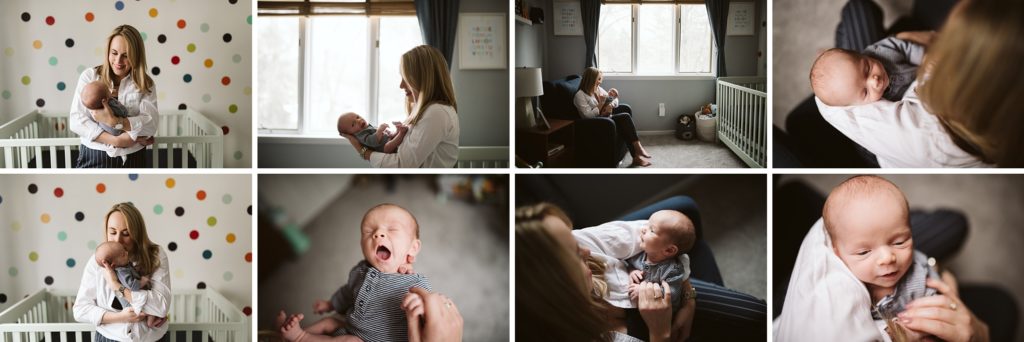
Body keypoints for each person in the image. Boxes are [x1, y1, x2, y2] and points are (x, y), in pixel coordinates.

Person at [787, 0, 1024, 167]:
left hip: (878, 152)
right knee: (857, 11)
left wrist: (910, 44)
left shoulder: (899, 121)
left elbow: (829, 102)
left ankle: (836, 53)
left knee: (857, 10)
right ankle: (837, 54)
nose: (875, 80)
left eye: (867, 69)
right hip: (878, 70)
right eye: (864, 89)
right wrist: (860, 61)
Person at [775, 176, 990, 342]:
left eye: (900, 242)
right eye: (864, 252)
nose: (888, 258)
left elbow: (940, 303)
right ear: (837, 255)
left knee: (952, 225)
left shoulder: (919, 274)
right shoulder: (836, 288)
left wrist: (945, 285)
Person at [517, 202, 766, 341]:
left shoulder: (585, 242)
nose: (585, 251)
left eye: (575, 239)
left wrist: (688, 297)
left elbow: (650, 234)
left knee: (686, 210)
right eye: (572, 251)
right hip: (658, 325)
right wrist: (660, 332)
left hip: (667, 289)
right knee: (758, 319)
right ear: (551, 283)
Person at [279, 204, 430, 342]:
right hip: (352, 328)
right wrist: (331, 304)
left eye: (392, 229)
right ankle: (288, 337)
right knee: (329, 322)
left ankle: (300, 337)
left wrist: (421, 307)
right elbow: (348, 292)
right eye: (368, 231)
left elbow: (432, 312)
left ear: (413, 247)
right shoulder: (360, 270)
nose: (377, 234)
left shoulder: (415, 284)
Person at [342, 45, 459, 168]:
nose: (401, 85)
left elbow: (403, 165)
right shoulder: (425, 110)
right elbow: (406, 151)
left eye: (406, 78)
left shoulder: (436, 113)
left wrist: (363, 152)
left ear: (422, 79)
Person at [73, 202, 171, 342]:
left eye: (126, 234)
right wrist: (121, 317)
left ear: (137, 234)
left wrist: (115, 285)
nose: (118, 240)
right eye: (112, 232)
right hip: (110, 337)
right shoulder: (98, 261)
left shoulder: (156, 255)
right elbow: (80, 310)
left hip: (150, 338)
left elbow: (161, 306)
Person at [69, 24, 158, 168]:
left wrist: (116, 122)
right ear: (108, 52)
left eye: (126, 56)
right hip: (95, 155)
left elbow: (151, 124)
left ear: (136, 56)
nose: (118, 61)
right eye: (114, 53)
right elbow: (77, 121)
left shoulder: (145, 83)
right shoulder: (90, 76)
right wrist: (118, 141)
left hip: (133, 157)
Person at [809, 34, 929, 106]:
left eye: (867, 69)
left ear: (861, 54)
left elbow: (904, 48)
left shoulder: (880, 51)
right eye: (865, 92)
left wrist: (924, 58)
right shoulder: (881, 106)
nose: (874, 80)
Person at [573, 67, 651, 167]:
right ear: (591, 79)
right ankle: (638, 149)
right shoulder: (580, 95)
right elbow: (587, 116)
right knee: (625, 117)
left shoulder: (598, 89)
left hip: (605, 117)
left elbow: (615, 101)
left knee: (625, 110)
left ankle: (636, 156)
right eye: (599, 79)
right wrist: (601, 104)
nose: (600, 82)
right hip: (595, 123)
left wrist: (611, 102)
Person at [625, 210, 695, 315]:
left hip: (665, 315)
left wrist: (643, 292)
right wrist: (631, 271)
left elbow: (671, 294)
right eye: (647, 225)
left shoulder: (672, 270)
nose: (643, 229)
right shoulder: (639, 255)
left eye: (651, 230)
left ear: (669, 250)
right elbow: (628, 264)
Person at [94, 241, 163, 329]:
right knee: (152, 311)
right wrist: (143, 281)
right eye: (123, 254)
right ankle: (151, 322)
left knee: (154, 309)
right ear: (113, 264)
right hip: (130, 306)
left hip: (133, 301)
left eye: (125, 250)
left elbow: (133, 273)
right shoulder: (122, 272)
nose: (127, 253)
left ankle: (152, 320)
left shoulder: (125, 266)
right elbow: (132, 286)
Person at [337, 112, 409, 154]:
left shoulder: (366, 127)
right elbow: (372, 141)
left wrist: (384, 131)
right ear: (350, 134)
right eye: (353, 124)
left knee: (391, 134)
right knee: (387, 147)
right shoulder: (360, 135)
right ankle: (401, 133)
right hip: (383, 148)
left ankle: (398, 130)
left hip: (386, 138)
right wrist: (380, 130)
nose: (358, 120)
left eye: (357, 117)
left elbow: (375, 131)